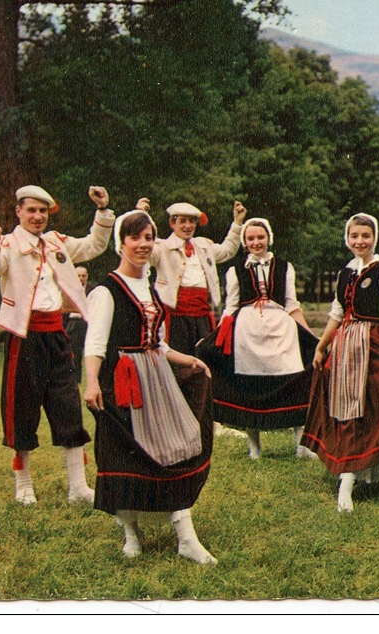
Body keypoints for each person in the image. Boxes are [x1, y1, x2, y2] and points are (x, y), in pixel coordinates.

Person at [83, 210, 217, 564]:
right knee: (128, 453)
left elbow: (159, 343)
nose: (142, 245)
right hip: (123, 381)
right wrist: (92, 381)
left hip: (155, 376)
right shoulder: (106, 290)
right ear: (120, 243)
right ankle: (130, 533)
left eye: (148, 238)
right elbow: (95, 343)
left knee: (175, 447)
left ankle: (185, 535)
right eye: (135, 238)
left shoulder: (153, 287)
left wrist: (188, 360)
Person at [0, 184, 120, 506]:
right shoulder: (8, 243)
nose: (38, 217)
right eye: (31, 210)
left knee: (68, 403)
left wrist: (102, 211)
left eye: (43, 211)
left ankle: (77, 485)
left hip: (57, 333)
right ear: (18, 212)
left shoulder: (57, 242)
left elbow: (94, 244)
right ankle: (23, 483)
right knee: (22, 407)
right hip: (23, 335)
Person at [301, 213, 379, 513]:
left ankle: (354, 474)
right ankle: (348, 471)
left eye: (365, 236)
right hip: (344, 347)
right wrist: (322, 345)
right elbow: (337, 313)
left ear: (374, 238)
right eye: (354, 236)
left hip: (373, 343)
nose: (359, 241)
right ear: (347, 238)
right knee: (345, 409)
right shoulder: (346, 273)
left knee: (369, 407)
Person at [197, 217, 319, 460]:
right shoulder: (235, 270)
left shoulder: (285, 267)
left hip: (280, 328)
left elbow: (292, 305)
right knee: (250, 387)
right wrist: (215, 336)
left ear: (268, 238)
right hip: (247, 332)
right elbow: (230, 308)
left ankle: (301, 444)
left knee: (296, 380)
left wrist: (310, 335)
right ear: (244, 242)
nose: (256, 242)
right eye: (250, 238)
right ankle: (255, 446)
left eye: (260, 237)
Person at [148, 200, 247, 353]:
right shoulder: (162, 248)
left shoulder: (204, 246)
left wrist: (237, 222)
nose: (188, 226)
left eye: (192, 221)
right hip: (175, 317)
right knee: (178, 360)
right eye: (182, 221)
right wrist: (142, 216)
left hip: (201, 315)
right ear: (172, 223)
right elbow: (145, 253)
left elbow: (227, 250)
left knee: (203, 356)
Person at [63, 266, 93, 384]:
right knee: (75, 352)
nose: (80, 278)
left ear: (87, 276)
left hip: (87, 323)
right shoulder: (68, 289)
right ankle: (76, 379)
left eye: (83, 276)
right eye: (78, 276)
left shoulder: (92, 289)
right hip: (73, 324)